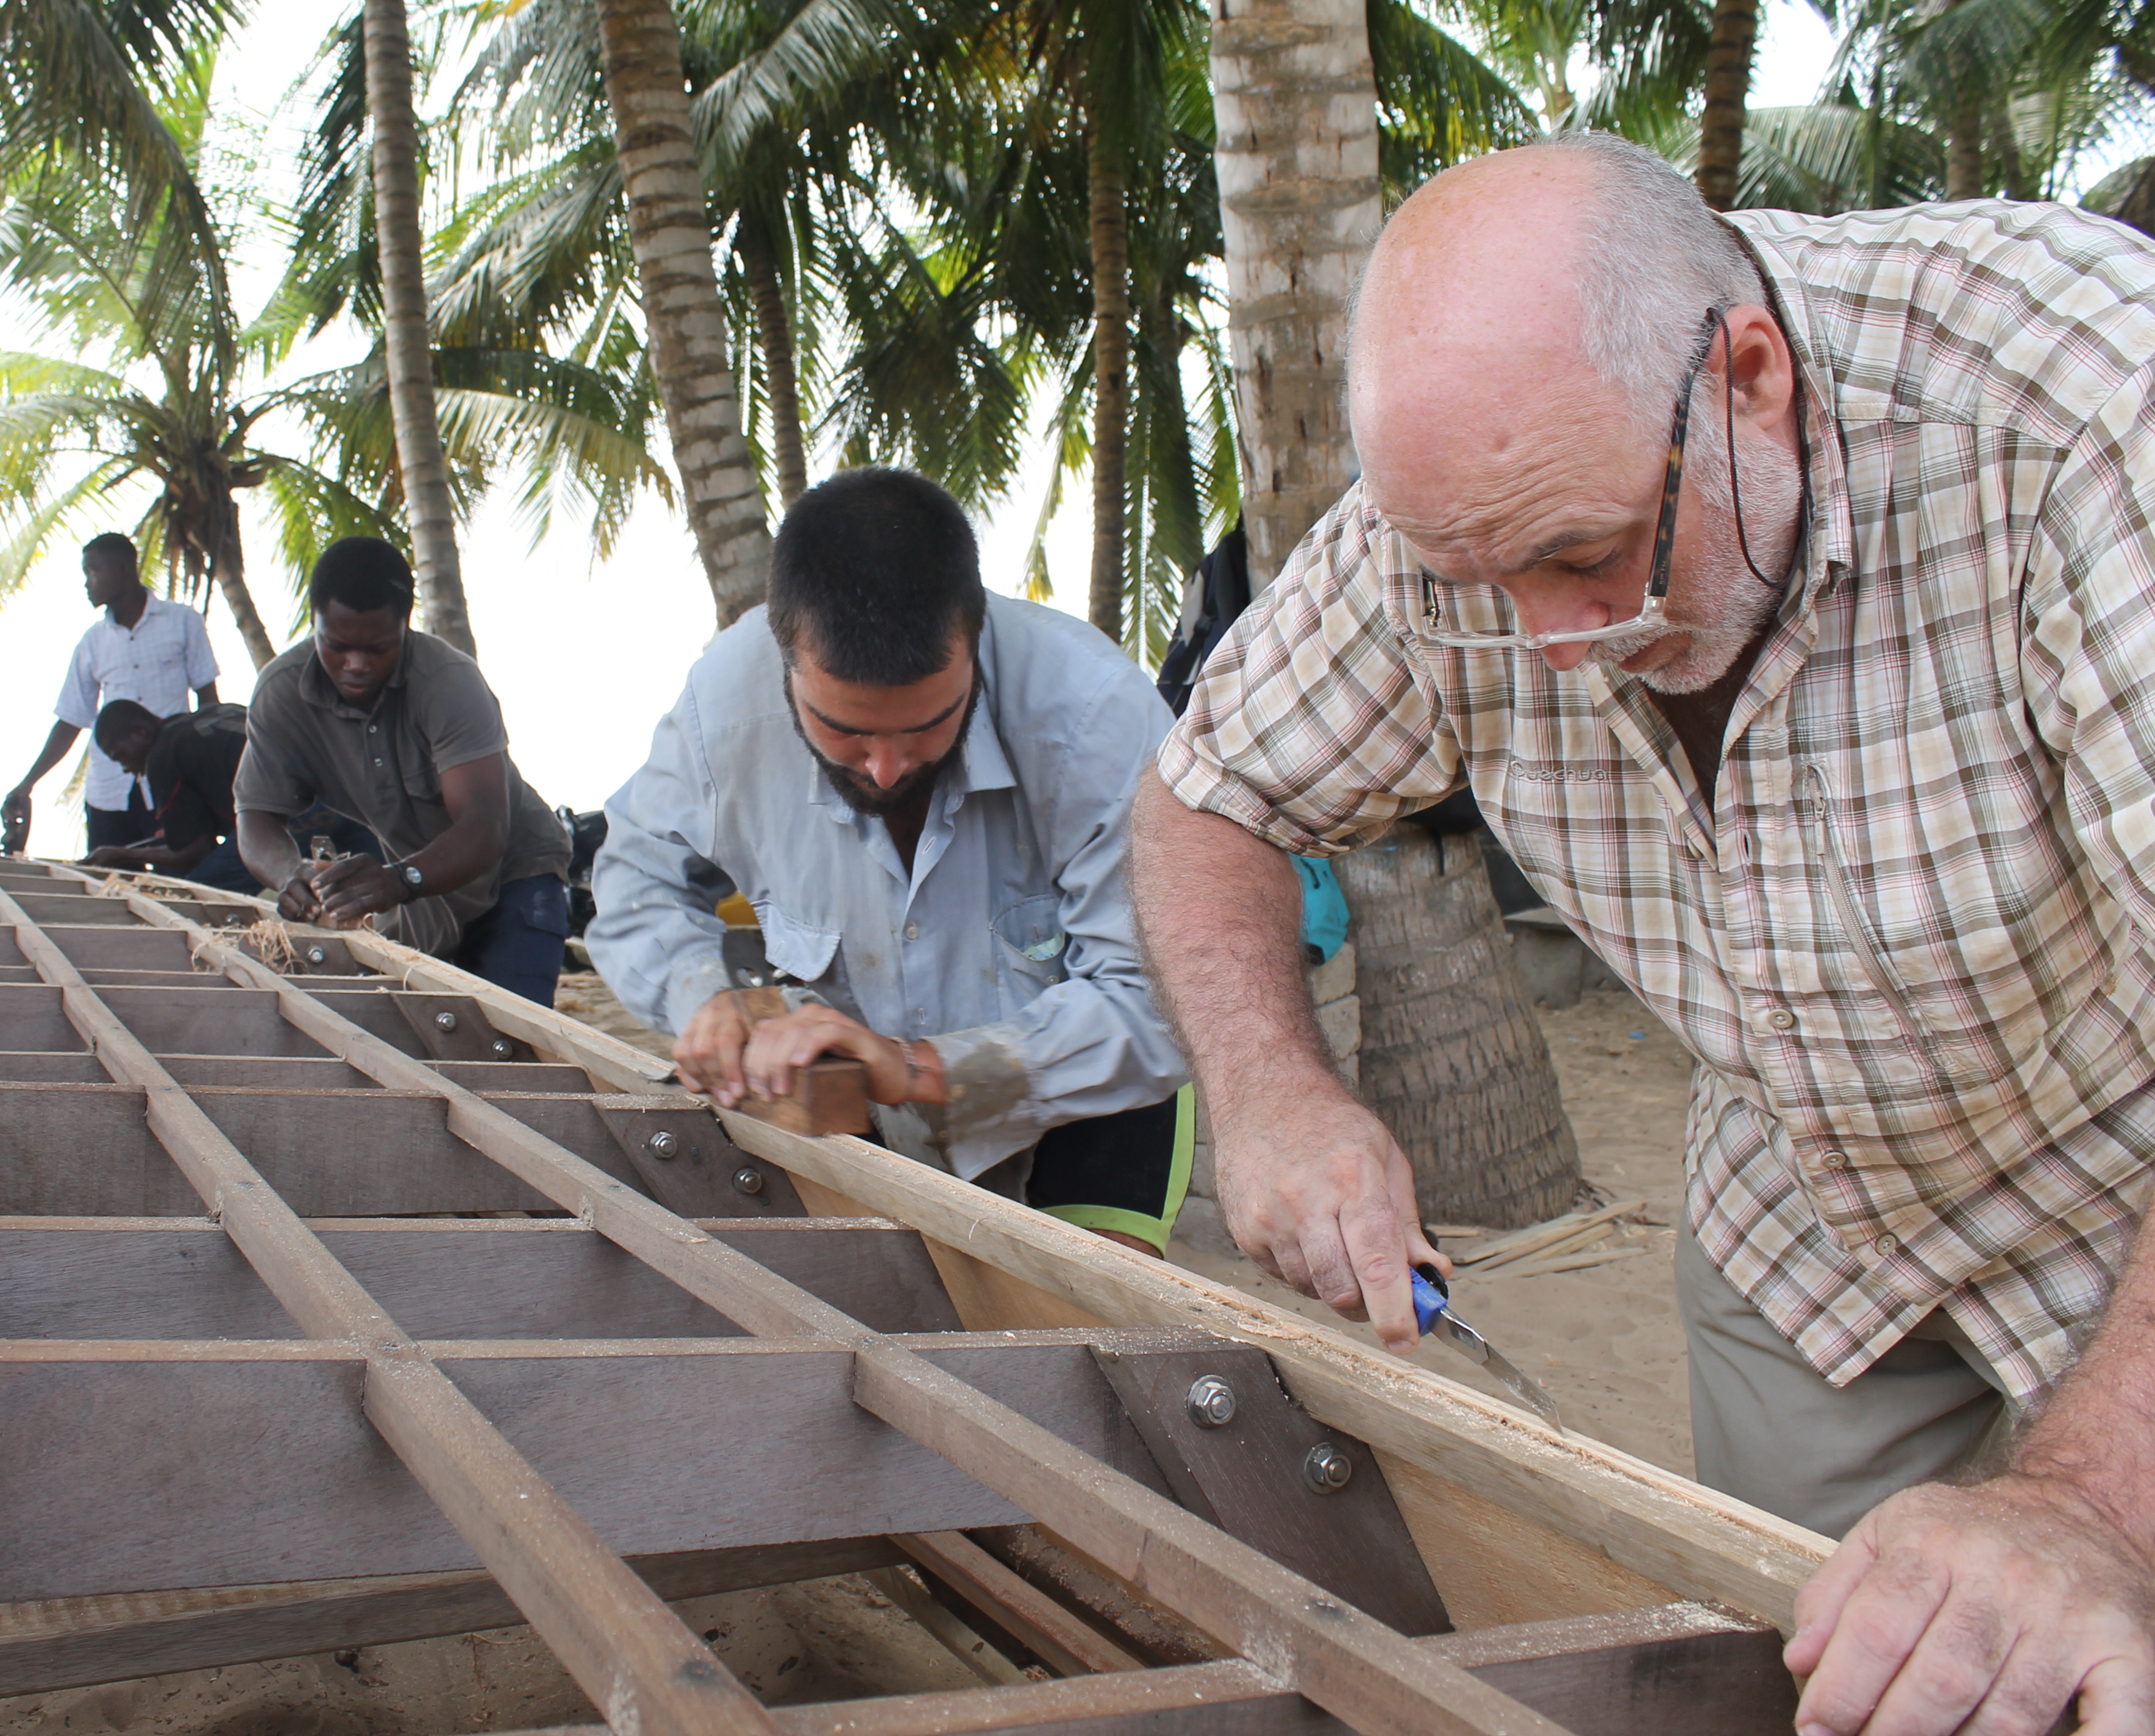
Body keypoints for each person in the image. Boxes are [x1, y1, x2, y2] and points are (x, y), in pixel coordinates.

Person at [1133, 132, 2155, 1736]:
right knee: (1815, 1661)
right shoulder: (1479, 509)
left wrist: (2096, 1505)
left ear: (1751, 375)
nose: (1549, 650)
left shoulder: (2083, 407)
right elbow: (1207, 799)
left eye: (1586, 559)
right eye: (1482, 580)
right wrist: (1273, 1087)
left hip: (2122, 1184)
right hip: (1809, 1215)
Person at [589, 468, 1346, 1255]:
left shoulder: (1092, 716)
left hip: (1097, 1100)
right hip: (856, 1106)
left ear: (975, 643)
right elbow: (634, 882)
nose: (885, 767)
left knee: (1086, 1335)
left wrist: (919, 1070)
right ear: (785, 662)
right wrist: (699, 999)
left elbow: (1157, 1005)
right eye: (845, 731)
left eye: (927, 725)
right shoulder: (723, 707)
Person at [232, 536, 575, 1005]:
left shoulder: (449, 682)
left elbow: (484, 824)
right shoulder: (280, 694)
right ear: (314, 623)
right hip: (415, 882)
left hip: (514, 870)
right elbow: (255, 817)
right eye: (337, 646)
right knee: (412, 1032)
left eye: (377, 649)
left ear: (405, 628)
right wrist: (291, 874)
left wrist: (399, 880)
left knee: (510, 1042)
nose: (356, 665)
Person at [0, 533, 220, 852]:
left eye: (93, 572)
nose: (87, 583)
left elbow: (209, 703)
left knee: (179, 884)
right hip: (109, 792)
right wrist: (28, 783)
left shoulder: (183, 621)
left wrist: (206, 774)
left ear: (122, 569)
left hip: (173, 784)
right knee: (109, 886)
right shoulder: (92, 643)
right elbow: (71, 720)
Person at [84, 700, 258, 892]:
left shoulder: (163, 755)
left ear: (140, 732)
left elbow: (196, 851)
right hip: (291, 787)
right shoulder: (205, 718)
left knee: (196, 897)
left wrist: (118, 854)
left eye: (120, 756)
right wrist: (181, 829)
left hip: (285, 815)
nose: (125, 769)